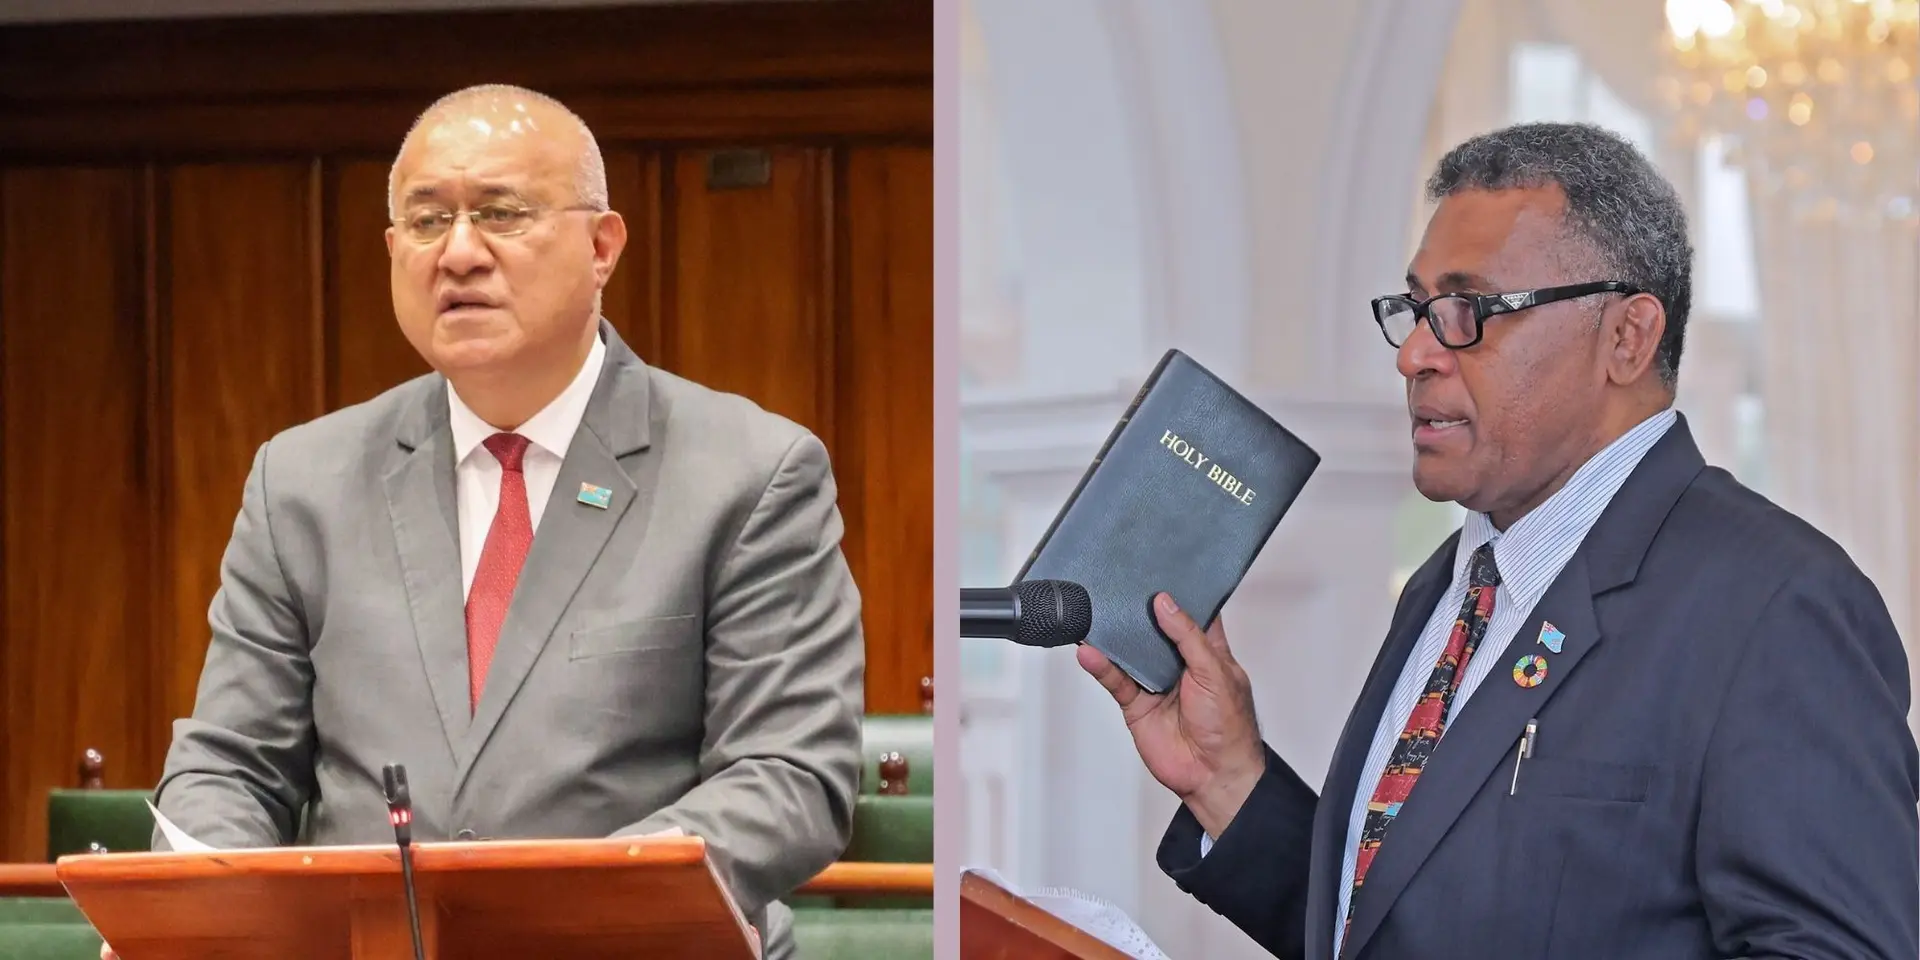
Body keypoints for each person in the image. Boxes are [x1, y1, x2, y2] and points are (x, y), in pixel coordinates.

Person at [1081, 122, 1918, 960]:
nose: (1414, 353)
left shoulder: (1775, 606)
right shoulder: (1449, 587)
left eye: (1466, 311)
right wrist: (1230, 780)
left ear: (1626, 338)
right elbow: (1389, 928)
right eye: (1414, 309)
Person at [136, 84, 864, 960]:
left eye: (501, 213)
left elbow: (788, 776)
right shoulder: (302, 482)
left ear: (602, 246)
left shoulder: (748, 472)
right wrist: (215, 912)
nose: (460, 254)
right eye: (426, 222)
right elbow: (229, 766)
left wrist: (557, 910)